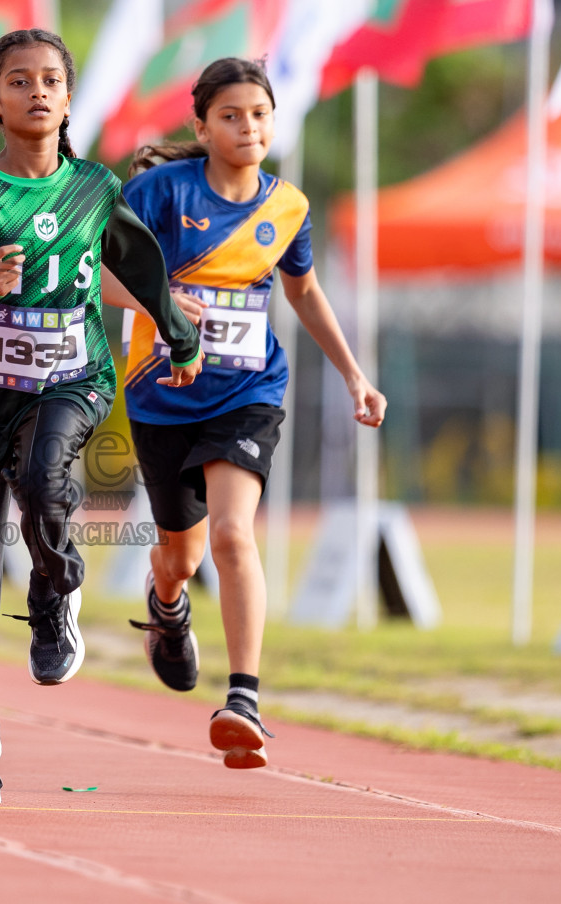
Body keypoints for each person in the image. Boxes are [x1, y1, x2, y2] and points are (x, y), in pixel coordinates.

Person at [0, 29, 201, 805]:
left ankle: (54, 589)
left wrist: (177, 330)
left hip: (71, 378)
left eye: (51, 80)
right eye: (19, 81)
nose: (37, 91)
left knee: (44, 478)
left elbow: (139, 265)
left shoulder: (96, 189)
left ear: (69, 100)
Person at [112, 57, 386, 769]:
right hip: (160, 395)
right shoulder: (158, 193)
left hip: (249, 393)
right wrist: (160, 302)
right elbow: (96, 274)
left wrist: (355, 376)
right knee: (182, 555)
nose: (247, 126)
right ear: (201, 126)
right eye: (230, 115)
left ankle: (243, 699)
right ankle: (166, 606)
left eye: (259, 113)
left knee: (234, 535)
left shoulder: (286, 207)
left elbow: (303, 293)